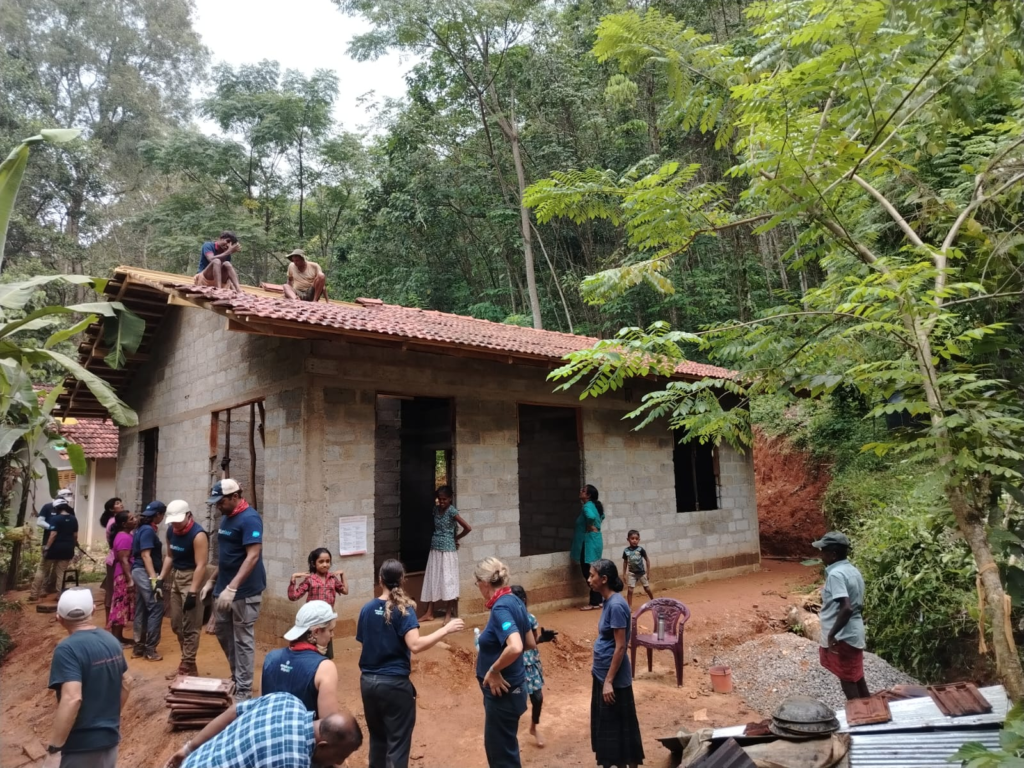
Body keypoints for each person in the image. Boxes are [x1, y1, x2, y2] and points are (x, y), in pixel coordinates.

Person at [357, 559, 465, 768]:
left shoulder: (367, 609)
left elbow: (365, 642)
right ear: (403, 580)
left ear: (380, 581)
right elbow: (415, 645)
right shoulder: (403, 609)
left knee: (377, 740)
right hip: (395, 686)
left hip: (368, 683)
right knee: (398, 744)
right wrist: (445, 629)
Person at [43, 588, 131, 768]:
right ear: (93, 610)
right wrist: (107, 720)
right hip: (109, 741)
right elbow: (127, 682)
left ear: (59, 618)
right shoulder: (111, 640)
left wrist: (54, 751)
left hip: (80, 746)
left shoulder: (67, 650)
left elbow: (72, 697)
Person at [163, 692, 362, 768]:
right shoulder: (291, 761)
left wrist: (188, 749)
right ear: (323, 744)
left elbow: (233, 711)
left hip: (194, 761)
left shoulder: (287, 700)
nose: (340, 763)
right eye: (341, 756)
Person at [199, 478, 266, 701]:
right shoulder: (227, 519)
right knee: (222, 633)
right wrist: (211, 581)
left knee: (242, 639)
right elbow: (228, 557)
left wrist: (233, 587)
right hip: (224, 587)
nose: (218, 505)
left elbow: (253, 555)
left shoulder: (250, 519)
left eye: (221, 501)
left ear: (235, 497)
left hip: (244, 591)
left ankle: (244, 689)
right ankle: (237, 676)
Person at [475, 557, 533, 768]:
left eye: (477, 583)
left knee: (500, 756)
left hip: (503, 694)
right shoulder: (515, 600)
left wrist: (494, 669)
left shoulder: (500, 608)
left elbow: (517, 646)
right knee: (506, 748)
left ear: (484, 582)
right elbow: (530, 642)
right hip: (515, 689)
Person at [588, 559, 644, 768]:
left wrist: (609, 681)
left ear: (604, 579)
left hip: (613, 680)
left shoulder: (618, 606)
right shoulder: (608, 602)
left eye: (592, 575)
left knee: (621, 728)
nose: (589, 579)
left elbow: (621, 646)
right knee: (609, 728)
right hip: (602, 675)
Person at [813, 531, 869, 700]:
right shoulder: (852, 570)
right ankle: (869, 709)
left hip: (843, 636)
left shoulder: (836, 575)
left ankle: (859, 715)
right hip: (853, 631)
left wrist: (832, 635)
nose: (821, 555)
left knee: (848, 680)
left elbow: (846, 608)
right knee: (856, 676)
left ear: (833, 554)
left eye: (823, 551)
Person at [262, 600, 340, 719]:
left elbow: (260, 708)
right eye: (330, 630)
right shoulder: (325, 668)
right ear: (316, 632)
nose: (332, 635)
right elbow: (329, 727)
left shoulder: (270, 658)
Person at [159, 500, 209, 677]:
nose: (175, 524)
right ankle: (187, 662)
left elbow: (201, 565)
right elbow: (170, 557)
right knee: (176, 624)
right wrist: (160, 578)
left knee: (191, 626)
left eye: (178, 521)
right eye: (172, 521)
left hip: (192, 577)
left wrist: (193, 592)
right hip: (177, 577)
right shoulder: (171, 531)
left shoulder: (198, 535)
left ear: (189, 516)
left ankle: (187, 665)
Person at [510, 585, 558, 748]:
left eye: (520, 602)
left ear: (524, 602)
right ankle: (511, 734)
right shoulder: (506, 621)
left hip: (531, 666)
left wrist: (543, 639)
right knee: (516, 697)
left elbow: (533, 642)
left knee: (537, 698)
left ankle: (533, 727)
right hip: (515, 667)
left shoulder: (530, 619)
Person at [419, 485, 472, 624]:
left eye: (444, 499)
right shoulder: (435, 510)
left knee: (448, 580)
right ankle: (429, 612)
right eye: (439, 499)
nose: (441, 502)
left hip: (448, 550)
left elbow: (468, 528)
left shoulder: (452, 511)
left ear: (450, 499)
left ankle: (448, 614)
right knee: (433, 578)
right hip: (435, 548)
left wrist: (456, 538)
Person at [288, 547, 348, 659]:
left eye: (327, 561)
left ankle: (325, 665)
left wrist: (342, 575)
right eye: (321, 562)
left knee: (326, 643)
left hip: (328, 618)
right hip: (313, 619)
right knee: (312, 643)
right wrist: (293, 579)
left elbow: (345, 591)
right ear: (314, 564)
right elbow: (293, 596)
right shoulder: (310, 579)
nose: (325, 564)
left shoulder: (332, 579)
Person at [131, 501, 167, 660]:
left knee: (142, 607)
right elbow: (146, 555)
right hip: (144, 572)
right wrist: (154, 578)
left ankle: (139, 646)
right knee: (156, 606)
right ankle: (150, 649)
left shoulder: (142, 529)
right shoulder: (147, 531)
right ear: (158, 515)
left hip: (140, 572)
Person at [29, 497, 78, 602]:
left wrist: (47, 547)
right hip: (67, 549)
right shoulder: (74, 519)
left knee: (42, 569)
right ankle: (60, 595)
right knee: (61, 573)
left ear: (57, 508)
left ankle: (34, 594)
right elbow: (75, 536)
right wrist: (72, 546)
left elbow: (53, 534)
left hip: (53, 549)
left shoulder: (55, 519)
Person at [571, 484, 605, 610]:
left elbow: (590, 517)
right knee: (594, 569)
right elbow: (602, 517)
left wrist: (590, 526)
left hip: (589, 541)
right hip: (596, 540)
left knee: (588, 571)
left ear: (588, 495)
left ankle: (595, 602)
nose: (581, 491)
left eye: (583, 491)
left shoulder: (587, 506)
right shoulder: (595, 506)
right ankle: (599, 599)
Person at [106, 511, 137, 645]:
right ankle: (116, 638)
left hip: (123, 574)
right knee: (120, 605)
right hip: (123, 575)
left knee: (122, 605)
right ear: (124, 524)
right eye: (131, 518)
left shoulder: (125, 535)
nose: (135, 520)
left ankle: (119, 636)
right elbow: (124, 560)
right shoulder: (124, 537)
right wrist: (130, 579)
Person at [100, 498, 124, 619]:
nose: (121, 505)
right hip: (115, 559)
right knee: (111, 590)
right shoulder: (113, 522)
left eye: (120, 502)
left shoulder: (115, 521)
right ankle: (108, 620)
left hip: (116, 558)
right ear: (111, 509)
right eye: (118, 504)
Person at [622, 529, 654, 609]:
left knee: (647, 588)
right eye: (632, 538)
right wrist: (624, 574)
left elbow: (647, 560)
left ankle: (653, 602)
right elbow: (625, 562)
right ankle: (629, 607)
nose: (634, 540)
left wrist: (648, 573)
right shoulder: (626, 551)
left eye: (636, 539)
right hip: (632, 573)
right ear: (628, 539)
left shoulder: (641, 550)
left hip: (642, 573)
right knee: (630, 590)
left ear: (639, 540)